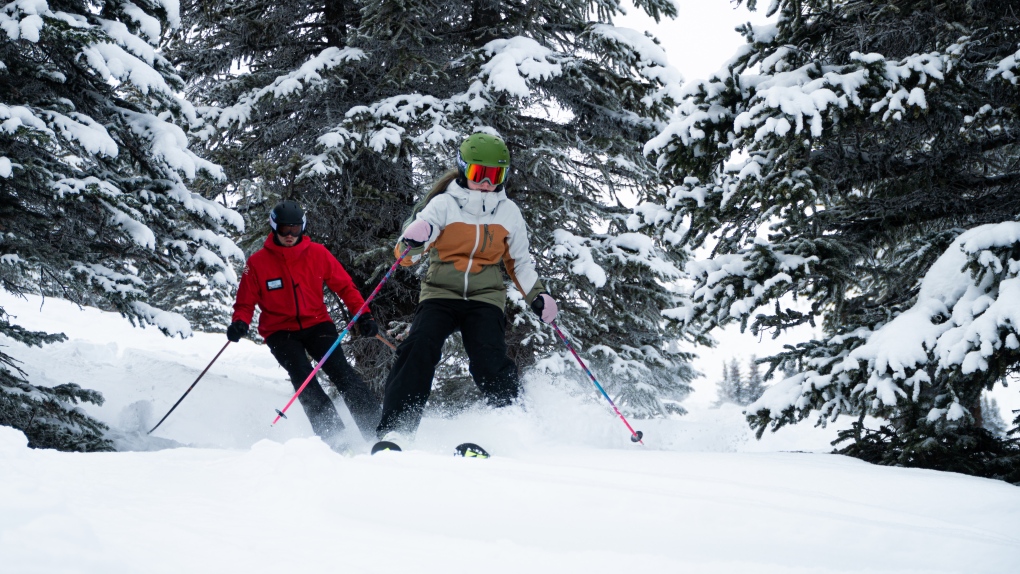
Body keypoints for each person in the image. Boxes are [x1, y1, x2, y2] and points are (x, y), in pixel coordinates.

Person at [376, 133, 558, 441]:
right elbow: (405, 258)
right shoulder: (443, 205)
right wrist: (413, 240)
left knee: (489, 356)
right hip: (440, 294)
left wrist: (537, 294)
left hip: (485, 297)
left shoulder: (509, 212)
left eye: (495, 175)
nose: (486, 183)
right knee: (418, 347)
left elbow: (519, 263)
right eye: (478, 174)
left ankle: (512, 428)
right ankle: (397, 430)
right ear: (463, 170)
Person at [227, 200, 381, 449]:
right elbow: (245, 303)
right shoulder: (257, 263)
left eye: (296, 230)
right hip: (280, 331)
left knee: (342, 373)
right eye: (285, 230)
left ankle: (378, 430)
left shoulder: (318, 254)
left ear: (303, 228)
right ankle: (336, 440)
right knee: (304, 379)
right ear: (274, 228)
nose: (290, 236)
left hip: (317, 324)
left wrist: (364, 315)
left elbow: (345, 286)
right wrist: (239, 323)